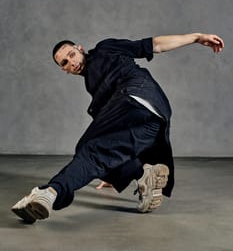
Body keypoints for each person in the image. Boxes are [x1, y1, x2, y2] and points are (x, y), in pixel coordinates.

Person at [12, 33, 224, 224]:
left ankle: (49, 193)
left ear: (80, 48)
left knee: (88, 149)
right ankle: (143, 176)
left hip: (134, 94)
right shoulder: (92, 86)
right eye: (65, 63)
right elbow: (112, 139)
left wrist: (196, 38)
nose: (72, 62)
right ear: (64, 70)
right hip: (153, 119)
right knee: (98, 152)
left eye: (71, 54)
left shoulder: (105, 48)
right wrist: (112, 169)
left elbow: (154, 45)